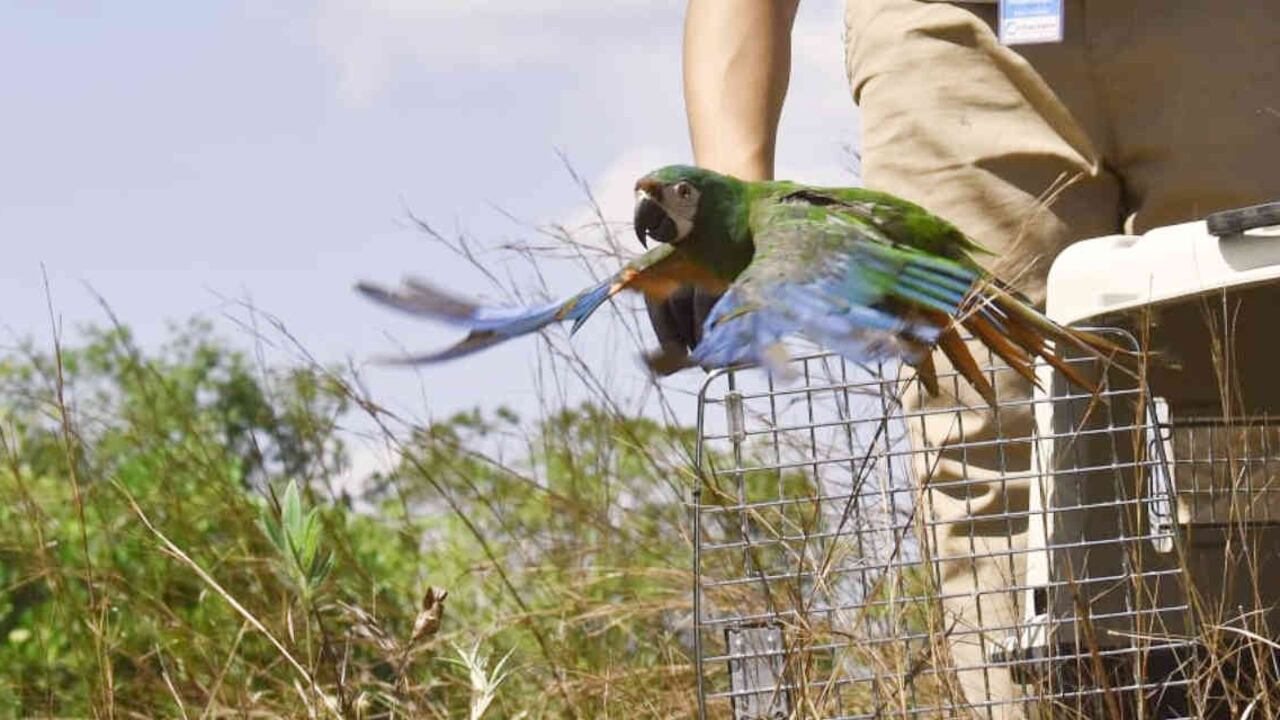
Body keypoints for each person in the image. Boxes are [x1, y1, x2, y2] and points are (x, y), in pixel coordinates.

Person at [651, 0, 1280, 715]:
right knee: (985, 426)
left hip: (1225, 29)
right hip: (952, 45)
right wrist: (729, 200)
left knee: (1252, 407)